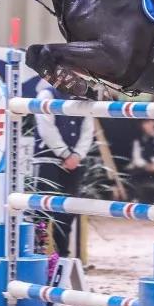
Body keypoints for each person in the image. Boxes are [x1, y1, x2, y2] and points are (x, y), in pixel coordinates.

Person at [32, 80, 94, 257]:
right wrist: (65, 153)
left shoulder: (85, 98)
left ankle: (63, 256)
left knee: (67, 212)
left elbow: (87, 130)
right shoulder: (46, 95)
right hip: (47, 159)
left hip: (74, 162)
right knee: (42, 209)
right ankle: (37, 252)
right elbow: (46, 128)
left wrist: (77, 155)